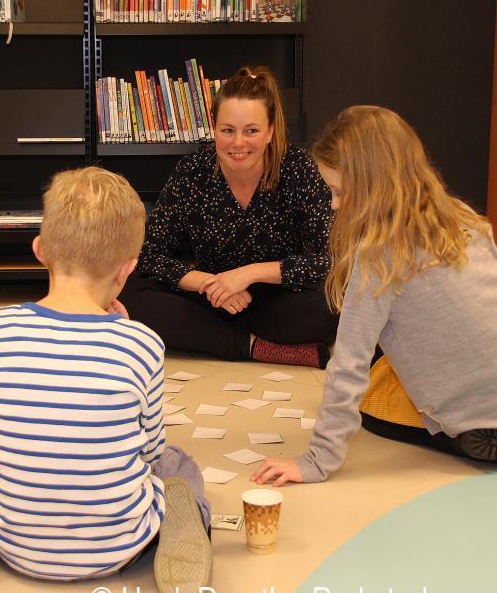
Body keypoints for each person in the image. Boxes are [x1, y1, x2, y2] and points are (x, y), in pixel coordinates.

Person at [0, 166, 212, 593]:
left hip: (13, 546)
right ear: (128, 268)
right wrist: (123, 333)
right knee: (178, 463)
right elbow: (148, 453)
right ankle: (183, 524)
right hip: (118, 548)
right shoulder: (142, 343)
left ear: (39, 250)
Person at [252, 106, 497, 486]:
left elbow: (349, 363)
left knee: (371, 408)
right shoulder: (456, 213)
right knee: (392, 359)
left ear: (371, 187)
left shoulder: (377, 257)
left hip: (485, 406)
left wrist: (316, 461)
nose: (334, 204)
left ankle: (483, 432)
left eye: (339, 191)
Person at [120, 66, 338, 368]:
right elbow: (149, 255)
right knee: (129, 292)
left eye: (251, 131)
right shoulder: (192, 171)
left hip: (279, 300)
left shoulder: (299, 169)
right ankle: (256, 347)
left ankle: (223, 339)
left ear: (270, 131)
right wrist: (208, 284)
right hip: (211, 299)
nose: (238, 143)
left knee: (332, 303)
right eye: (227, 130)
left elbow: (327, 259)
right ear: (214, 129)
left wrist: (249, 274)